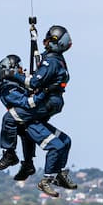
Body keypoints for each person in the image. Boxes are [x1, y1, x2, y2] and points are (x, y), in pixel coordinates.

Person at [27, 25, 78, 196]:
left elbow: (37, 76)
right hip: (32, 120)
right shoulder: (51, 61)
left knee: (66, 141)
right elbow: (34, 82)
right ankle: (46, 180)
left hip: (45, 109)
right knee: (56, 146)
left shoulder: (54, 60)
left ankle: (57, 175)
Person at [0, 54, 39, 181]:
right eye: (19, 69)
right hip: (26, 111)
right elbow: (24, 101)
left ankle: (26, 161)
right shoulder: (9, 88)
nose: (22, 71)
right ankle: (12, 154)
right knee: (16, 124)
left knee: (23, 128)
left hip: (32, 112)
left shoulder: (17, 84)